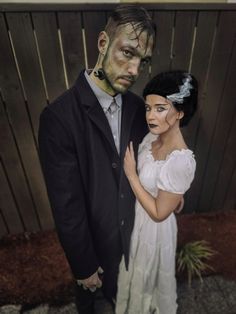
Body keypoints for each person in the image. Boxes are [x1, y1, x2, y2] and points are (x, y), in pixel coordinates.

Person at [38, 4, 156, 314]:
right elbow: (67, 204)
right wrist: (83, 265)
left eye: (142, 61)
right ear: (103, 44)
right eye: (127, 53)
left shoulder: (137, 108)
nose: (134, 70)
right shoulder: (59, 118)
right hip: (98, 264)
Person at [115, 70, 198, 314]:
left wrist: (131, 175)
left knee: (148, 272)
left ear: (180, 113)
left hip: (155, 229)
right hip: (136, 218)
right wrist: (174, 194)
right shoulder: (152, 137)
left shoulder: (181, 161)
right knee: (132, 269)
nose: (150, 116)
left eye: (160, 108)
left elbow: (160, 213)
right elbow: (163, 185)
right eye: (148, 108)